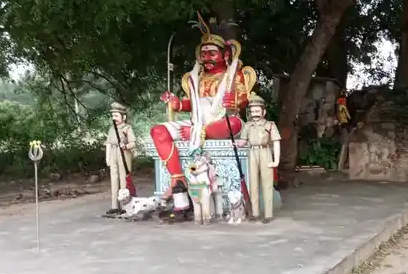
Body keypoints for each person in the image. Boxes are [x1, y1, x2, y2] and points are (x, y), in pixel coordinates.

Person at [150, 12, 256, 198]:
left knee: (234, 124)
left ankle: (198, 134)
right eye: (204, 54)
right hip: (195, 124)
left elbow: (244, 100)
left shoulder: (234, 74)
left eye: (212, 53)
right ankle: (177, 178)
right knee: (158, 131)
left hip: (222, 122)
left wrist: (236, 100)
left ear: (225, 55)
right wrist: (177, 104)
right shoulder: (194, 79)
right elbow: (192, 105)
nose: (207, 57)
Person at [236, 92, 281, 223]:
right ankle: (255, 213)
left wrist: (276, 161)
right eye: (253, 111)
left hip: (265, 152)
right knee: (253, 184)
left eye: (257, 111)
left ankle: (268, 214)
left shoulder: (270, 125)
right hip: (252, 153)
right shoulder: (248, 126)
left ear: (263, 112)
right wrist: (237, 143)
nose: (255, 113)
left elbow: (276, 142)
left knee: (267, 184)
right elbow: (243, 141)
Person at [105, 102, 137, 214]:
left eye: (116, 116)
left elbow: (133, 143)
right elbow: (108, 143)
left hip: (123, 153)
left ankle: (125, 205)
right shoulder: (111, 129)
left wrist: (126, 146)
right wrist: (107, 157)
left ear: (123, 117)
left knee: (124, 179)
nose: (114, 118)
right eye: (113, 116)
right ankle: (114, 205)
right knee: (114, 179)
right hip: (113, 152)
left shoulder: (127, 128)